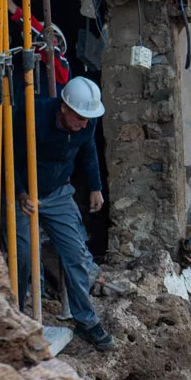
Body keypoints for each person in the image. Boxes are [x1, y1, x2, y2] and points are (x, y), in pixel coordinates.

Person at [16, 76, 116, 351]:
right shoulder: (32, 116)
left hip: (58, 192)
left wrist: (95, 186)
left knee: (76, 254)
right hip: (24, 193)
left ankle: (86, 319)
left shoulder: (87, 121)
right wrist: (21, 191)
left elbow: (88, 151)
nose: (85, 123)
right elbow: (6, 155)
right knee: (23, 254)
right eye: (80, 118)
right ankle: (19, 316)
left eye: (88, 119)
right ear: (64, 109)